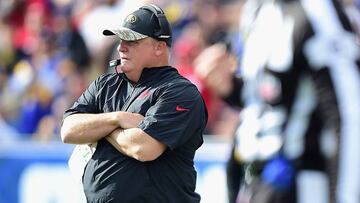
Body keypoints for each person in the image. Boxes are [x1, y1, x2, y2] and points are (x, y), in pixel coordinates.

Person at [194, 0, 360, 202]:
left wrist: (345, 197)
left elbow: (348, 113)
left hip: (300, 181)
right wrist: (231, 88)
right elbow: (273, 99)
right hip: (255, 181)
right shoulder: (257, 10)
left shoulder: (317, 11)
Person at [60, 4, 208, 203]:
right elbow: (68, 130)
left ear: (159, 47)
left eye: (132, 40)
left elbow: (143, 148)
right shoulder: (105, 84)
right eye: (121, 40)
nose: (121, 47)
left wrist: (98, 129)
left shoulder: (180, 92)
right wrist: (117, 118)